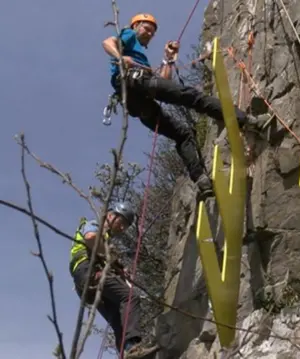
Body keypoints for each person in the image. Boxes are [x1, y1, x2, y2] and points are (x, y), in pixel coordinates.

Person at [101, 13, 272, 200]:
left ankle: (201, 181)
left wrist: (169, 58)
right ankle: (247, 121)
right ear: (135, 26)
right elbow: (108, 42)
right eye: (146, 28)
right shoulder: (129, 34)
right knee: (194, 98)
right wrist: (120, 58)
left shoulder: (139, 56)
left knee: (183, 134)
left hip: (140, 103)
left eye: (152, 32)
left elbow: (164, 82)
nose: (149, 33)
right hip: (136, 82)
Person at [69, 202, 156, 359]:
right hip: (88, 271)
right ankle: (132, 347)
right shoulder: (94, 225)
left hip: (86, 283)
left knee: (118, 321)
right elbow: (91, 238)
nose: (122, 228)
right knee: (130, 297)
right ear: (110, 215)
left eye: (125, 226)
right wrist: (114, 261)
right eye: (121, 222)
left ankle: (127, 354)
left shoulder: (106, 240)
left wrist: (119, 269)